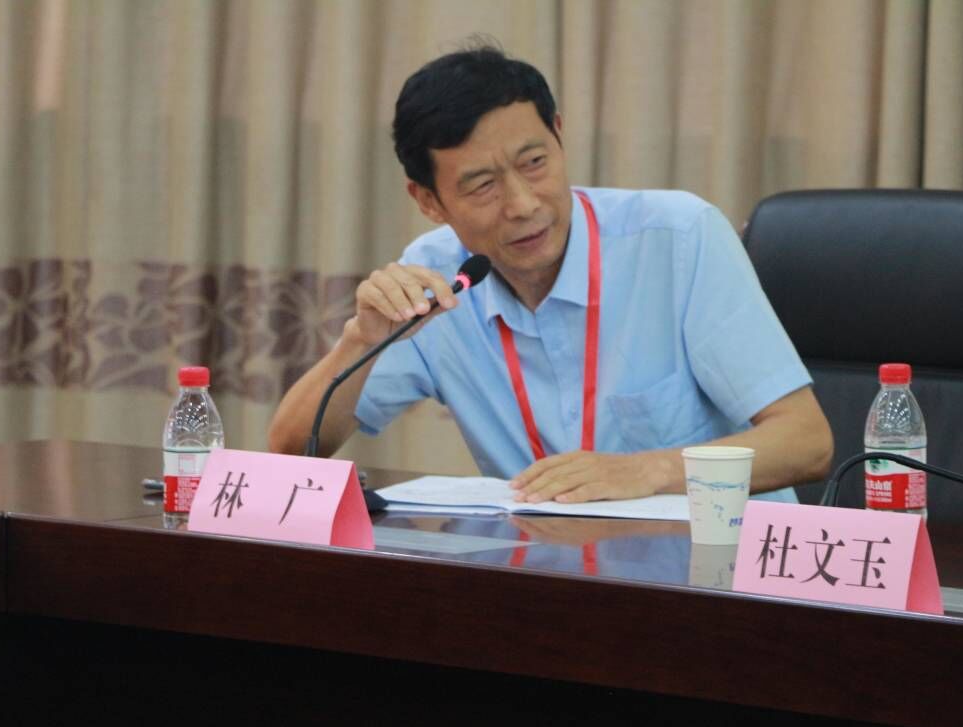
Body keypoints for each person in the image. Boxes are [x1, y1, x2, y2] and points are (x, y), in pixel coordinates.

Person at [268, 44, 833, 504]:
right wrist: (359, 343)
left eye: (534, 163)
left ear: (559, 135)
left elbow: (806, 443)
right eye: (482, 185)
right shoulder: (436, 280)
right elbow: (292, 451)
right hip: (550, 577)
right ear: (429, 200)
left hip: (712, 572)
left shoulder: (678, 239)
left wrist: (646, 472)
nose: (522, 204)